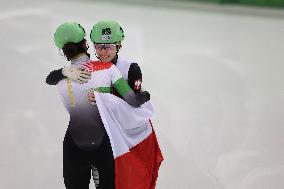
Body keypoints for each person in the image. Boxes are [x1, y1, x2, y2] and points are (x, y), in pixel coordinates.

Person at [52, 22, 151, 189]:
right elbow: (134, 101)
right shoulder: (108, 68)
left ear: (63, 51)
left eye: (108, 47)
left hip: (73, 144)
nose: (103, 52)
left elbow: (50, 79)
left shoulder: (61, 80)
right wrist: (146, 95)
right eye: (99, 47)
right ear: (87, 45)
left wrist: (64, 72)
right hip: (105, 142)